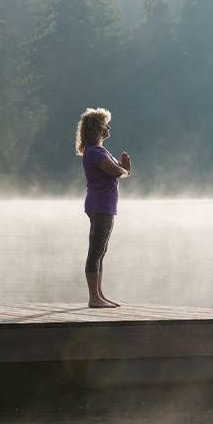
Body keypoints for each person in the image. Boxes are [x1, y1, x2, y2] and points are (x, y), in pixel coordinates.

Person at [75, 107, 132, 308]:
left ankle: (99, 295)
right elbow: (116, 172)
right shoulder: (94, 153)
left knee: (101, 251)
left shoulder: (100, 151)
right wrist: (124, 169)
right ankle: (94, 298)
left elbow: (120, 171)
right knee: (96, 250)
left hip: (105, 205)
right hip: (99, 205)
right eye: (105, 124)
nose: (108, 127)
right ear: (97, 128)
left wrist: (125, 169)